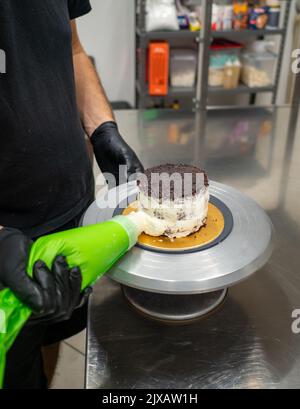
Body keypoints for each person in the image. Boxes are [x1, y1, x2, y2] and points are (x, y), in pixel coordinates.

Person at [0, 0, 143, 389]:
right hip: (8, 244)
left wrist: (102, 129)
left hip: (69, 205)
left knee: (56, 329)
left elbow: (72, 50)